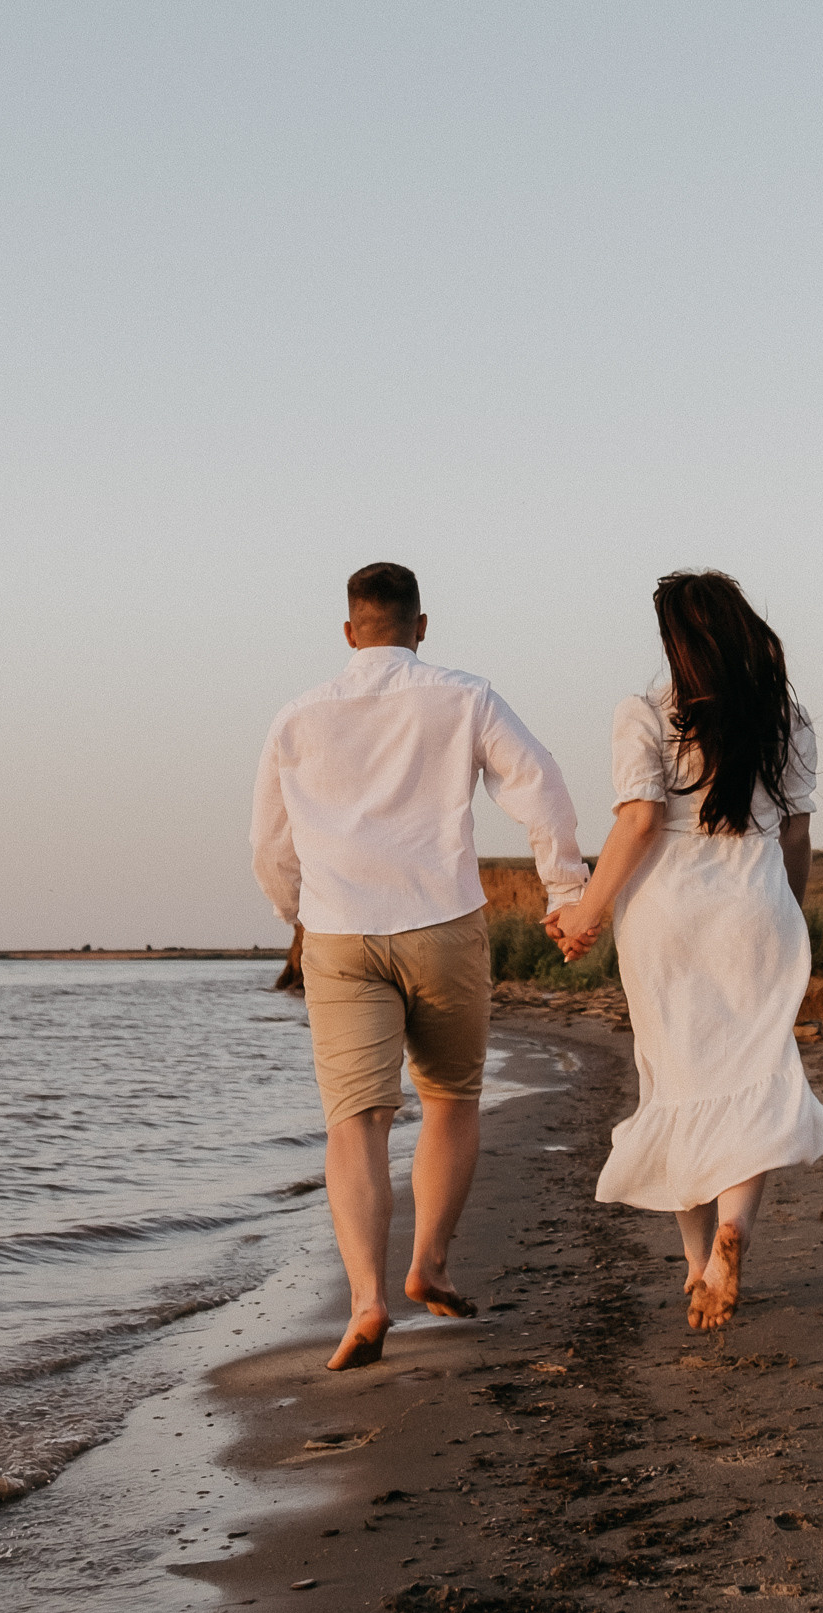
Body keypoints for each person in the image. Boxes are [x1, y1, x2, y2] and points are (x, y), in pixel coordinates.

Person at [251, 560, 586, 1372]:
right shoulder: (463, 694)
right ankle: (428, 1262)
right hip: (440, 922)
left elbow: (268, 844)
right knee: (448, 1100)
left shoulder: (296, 717)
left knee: (355, 1122)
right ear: (420, 625)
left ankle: (365, 1301)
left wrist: (294, 913)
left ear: (347, 630)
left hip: (340, 935)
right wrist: (563, 889)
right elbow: (536, 783)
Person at [546, 568, 823, 1330]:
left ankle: (695, 1261)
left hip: (667, 919)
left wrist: (584, 913)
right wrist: (786, 916)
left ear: (676, 642)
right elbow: (797, 835)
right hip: (756, 908)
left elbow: (639, 822)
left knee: (676, 1080)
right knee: (755, 1076)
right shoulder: (786, 719)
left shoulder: (644, 714)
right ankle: (733, 1236)